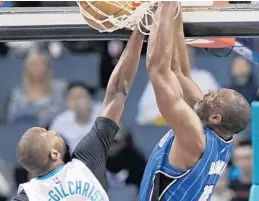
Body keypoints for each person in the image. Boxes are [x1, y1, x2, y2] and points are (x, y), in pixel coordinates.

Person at [11, 27, 144, 201]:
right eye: (47, 134)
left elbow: (117, 92)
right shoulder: (85, 160)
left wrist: (137, 35)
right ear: (54, 154)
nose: (52, 131)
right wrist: (139, 34)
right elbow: (118, 92)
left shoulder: (28, 196)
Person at [139, 2, 251, 201]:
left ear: (216, 117)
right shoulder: (218, 131)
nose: (208, 92)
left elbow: (157, 71)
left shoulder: (195, 137)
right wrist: (174, 11)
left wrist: (163, 9)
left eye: (214, 97)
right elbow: (180, 72)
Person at [50, 82, 101, 153]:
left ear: (90, 98)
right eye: (72, 98)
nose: (76, 101)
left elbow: (117, 141)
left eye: (80, 97)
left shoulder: (105, 112)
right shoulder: (60, 120)